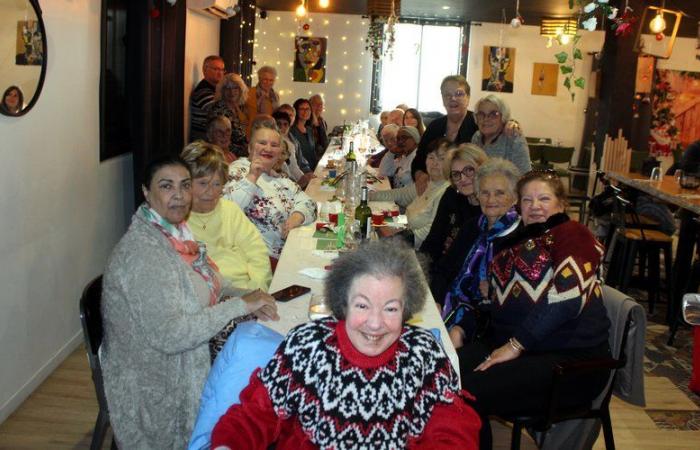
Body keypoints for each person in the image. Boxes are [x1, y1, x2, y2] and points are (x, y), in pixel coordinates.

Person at [211, 240, 481, 449]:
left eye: (390, 308)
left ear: (407, 309)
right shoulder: (306, 347)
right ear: (342, 303)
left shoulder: (423, 354)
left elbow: (451, 426)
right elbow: (256, 415)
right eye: (362, 305)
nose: (375, 324)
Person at [101, 155, 278, 449]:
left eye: (184, 185)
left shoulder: (175, 235)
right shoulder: (144, 254)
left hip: (184, 347)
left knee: (265, 346)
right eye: (167, 186)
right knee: (261, 368)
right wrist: (240, 305)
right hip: (159, 375)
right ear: (146, 191)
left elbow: (210, 283)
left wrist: (245, 295)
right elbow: (171, 335)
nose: (180, 195)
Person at [458, 169, 611, 450]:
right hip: (519, 346)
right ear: (519, 207)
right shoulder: (515, 242)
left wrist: (516, 345)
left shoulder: (573, 233)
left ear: (561, 204)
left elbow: (567, 297)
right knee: (441, 373)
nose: (535, 206)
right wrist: (464, 325)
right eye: (527, 200)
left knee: (468, 393)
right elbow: (500, 302)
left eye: (544, 198)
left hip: (569, 362)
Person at [436, 159, 521, 349]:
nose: (491, 200)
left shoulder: (520, 239)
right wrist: (437, 300)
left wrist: (462, 327)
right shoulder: (472, 227)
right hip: (450, 306)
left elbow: (509, 304)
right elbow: (443, 269)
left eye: (500, 193)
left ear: (515, 197)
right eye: (485, 193)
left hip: (484, 327)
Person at [180, 142, 272, 291]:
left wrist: (257, 290)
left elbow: (257, 254)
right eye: (203, 183)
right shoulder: (176, 220)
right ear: (185, 183)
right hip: (208, 298)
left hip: (246, 292)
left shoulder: (230, 210)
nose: (210, 192)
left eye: (217, 184)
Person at [223, 125, 316, 261]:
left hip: (289, 253)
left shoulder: (279, 177)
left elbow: (309, 203)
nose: (268, 148)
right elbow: (227, 210)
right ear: (250, 148)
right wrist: (252, 176)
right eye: (262, 143)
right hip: (259, 260)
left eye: (274, 145)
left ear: (280, 152)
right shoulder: (235, 171)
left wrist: (297, 216)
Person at [411, 75, 521, 180]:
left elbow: (499, 124)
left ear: (468, 98)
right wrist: (419, 175)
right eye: (447, 95)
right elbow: (418, 160)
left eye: (458, 93)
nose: (452, 98)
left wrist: (511, 123)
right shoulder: (435, 126)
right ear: (443, 99)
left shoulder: (480, 123)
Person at [372, 140, 450, 248]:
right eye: (431, 157)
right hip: (404, 228)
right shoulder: (428, 182)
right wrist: (378, 218)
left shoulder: (446, 192)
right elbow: (402, 196)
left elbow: (428, 232)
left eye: (442, 159)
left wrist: (392, 240)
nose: (435, 163)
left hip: (414, 251)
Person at [420, 144, 488, 265]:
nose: (463, 178)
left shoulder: (491, 207)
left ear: (483, 170)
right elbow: (433, 240)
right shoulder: (451, 195)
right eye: (456, 174)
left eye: (469, 170)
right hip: (440, 269)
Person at [471, 94, 531, 174]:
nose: (486, 119)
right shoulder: (476, 137)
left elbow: (525, 176)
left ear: (503, 116)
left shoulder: (513, 137)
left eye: (493, 114)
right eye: (481, 114)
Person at [207, 73, 249, 157]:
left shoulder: (238, 108)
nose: (231, 92)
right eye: (227, 88)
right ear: (222, 91)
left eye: (235, 88)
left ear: (241, 90)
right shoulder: (218, 110)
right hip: (224, 155)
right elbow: (219, 140)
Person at [273, 110, 314, 188]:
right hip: (284, 185)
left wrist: (304, 178)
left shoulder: (290, 141)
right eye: (279, 124)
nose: (282, 127)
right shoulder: (274, 143)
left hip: (295, 182)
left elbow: (294, 166)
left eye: (285, 124)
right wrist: (300, 183)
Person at [190, 55, 225, 142]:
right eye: (216, 69)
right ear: (205, 70)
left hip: (214, 137)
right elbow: (220, 113)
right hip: (205, 140)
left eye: (222, 69)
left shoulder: (216, 89)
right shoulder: (203, 91)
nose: (220, 73)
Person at [245, 66, 279, 135]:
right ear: (259, 79)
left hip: (270, 132)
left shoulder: (275, 96)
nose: (268, 82)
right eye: (265, 79)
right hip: (252, 131)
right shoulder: (249, 93)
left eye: (271, 80)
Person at [289, 98, 318, 170]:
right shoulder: (291, 131)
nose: (305, 111)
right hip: (301, 171)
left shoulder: (309, 130)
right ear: (296, 111)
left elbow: (313, 153)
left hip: (313, 168)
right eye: (302, 109)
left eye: (308, 109)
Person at [309, 94, 329, 159]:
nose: (319, 106)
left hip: (323, 154)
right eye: (316, 104)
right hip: (314, 156)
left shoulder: (322, 120)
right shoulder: (307, 122)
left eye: (321, 104)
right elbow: (314, 145)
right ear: (310, 106)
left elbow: (324, 141)